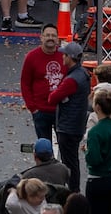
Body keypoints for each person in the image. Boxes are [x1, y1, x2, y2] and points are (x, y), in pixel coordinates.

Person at [48, 41, 93, 192]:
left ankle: (73, 192)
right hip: (76, 124)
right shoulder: (83, 74)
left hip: (68, 127)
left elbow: (53, 98)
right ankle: (74, 190)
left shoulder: (71, 80)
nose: (62, 57)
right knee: (72, 161)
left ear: (70, 57)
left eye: (64, 55)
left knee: (69, 163)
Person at [21, 26, 67, 146]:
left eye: (53, 35)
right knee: (44, 148)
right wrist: (33, 108)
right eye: (47, 35)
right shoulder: (31, 57)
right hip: (40, 111)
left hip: (61, 111)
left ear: (58, 39)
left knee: (65, 146)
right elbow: (25, 84)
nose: (50, 38)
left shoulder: (65, 56)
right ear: (41, 38)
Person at [84, 90, 111, 214]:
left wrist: (87, 152)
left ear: (97, 107)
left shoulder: (95, 132)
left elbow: (94, 159)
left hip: (98, 179)